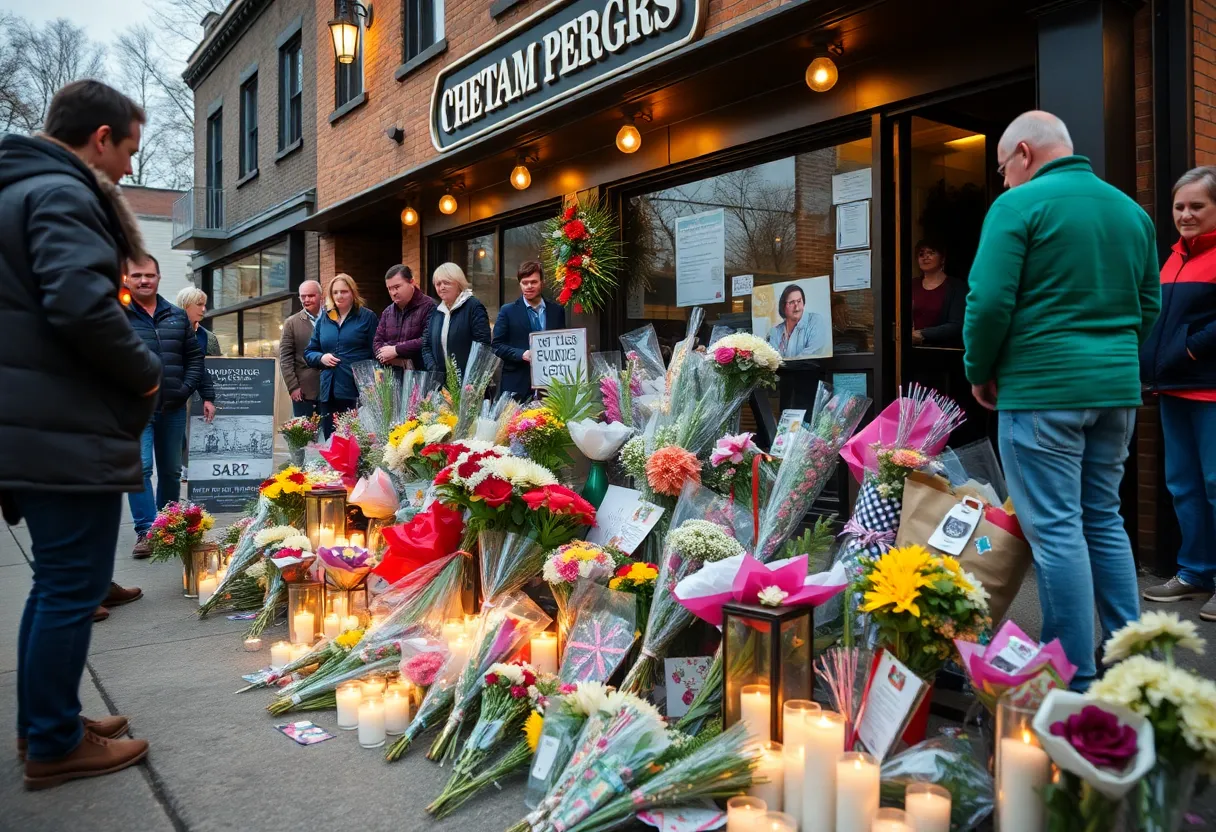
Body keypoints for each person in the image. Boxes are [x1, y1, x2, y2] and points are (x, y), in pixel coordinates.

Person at [963, 110, 1161, 689]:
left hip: (1040, 389)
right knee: (1103, 518)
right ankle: (1134, 660)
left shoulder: (1018, 206)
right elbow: (1149, 305)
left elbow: (989, 301)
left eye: (1003, 167)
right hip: (1114, 392)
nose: (1003, 180)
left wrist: (980, 370)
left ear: (1024, 153)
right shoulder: (1132, 212)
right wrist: (1110, 359)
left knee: (1055, 530)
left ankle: (1071, 675)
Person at [0, 79, 160, 789]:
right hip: (60, 425)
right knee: (73, 583)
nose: (129, 166)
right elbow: (80, 306)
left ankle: (47, 722)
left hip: (37, 422)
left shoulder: (21, 189)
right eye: (128, 149)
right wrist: (146, 374)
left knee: (56, 583)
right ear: (100, 139)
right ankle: (55, 742)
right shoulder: (63, 194)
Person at [1141, 166, 1216, 621]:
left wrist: (1188, 348)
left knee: (1215, 484)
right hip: (1173, 389)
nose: (1186, 214)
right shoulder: (1171, 258)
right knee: (1183, 486)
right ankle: (1196, 572)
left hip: (1209, 390)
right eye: (1179, 206)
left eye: (1197, 206)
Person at [125, 254, 215, 558]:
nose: (143, 280)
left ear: (158, 278)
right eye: (137, 275)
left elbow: (195, 359)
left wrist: (186, 389)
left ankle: (166, 527)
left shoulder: (176, 316)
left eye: (149, 275)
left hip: (173, 406)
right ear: (127, 279)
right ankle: (146, 530)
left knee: (171, 471)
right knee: (140, 468)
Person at [305, 274, 378, 437]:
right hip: (328, 392)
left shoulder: (367, 317)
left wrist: (372, 385)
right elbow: (309, 352)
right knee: (330, 440)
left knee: (355, 441)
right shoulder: (324, 318)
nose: (339, 296)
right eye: (335, 292)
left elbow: (375, 353)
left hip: (355, 391)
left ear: (353, 292)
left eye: (344, 291)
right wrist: (321, 358)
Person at [493, 260, 567, 400]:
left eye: (534, 282)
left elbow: (562, 343)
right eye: (524, 283)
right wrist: (522, 354)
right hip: (516, 384)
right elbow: (497, 346)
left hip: (551, 385)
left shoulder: (557, 311)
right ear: (520, 284)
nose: (529, 286)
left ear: (542, 283)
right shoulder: (507, 311)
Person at [422, 262, 491, 377]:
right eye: (438, 284)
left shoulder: (473, 307)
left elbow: (483, 346)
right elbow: (426, 345)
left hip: (468, 381)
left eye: (446, 283)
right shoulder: (436, 312)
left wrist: (472, 379)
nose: (442, 287)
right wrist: (434, 371)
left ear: (458, 283)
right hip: (441, 381)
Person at [373, 264, 436, 372]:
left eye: (397, 287)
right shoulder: (387, 312)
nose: (393, 293)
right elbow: (377, 342)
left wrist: (396, 350)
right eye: (389, 289)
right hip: (392, 375)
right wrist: (395, 359)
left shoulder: (429, 306)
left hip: (421, 374)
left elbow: (427, 340)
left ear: (412, 282)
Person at [280, 280, 323, 418]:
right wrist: (293, 387)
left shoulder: (333, 318)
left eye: (311, 295)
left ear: (321, 296)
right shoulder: (291, 323)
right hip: (304, 392)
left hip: (331, 388)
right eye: (303, 296)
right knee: (305, 431)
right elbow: (286, 359)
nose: (306, 300)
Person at [911, 241, 966, 346]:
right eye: (921, 254)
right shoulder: (912, 285)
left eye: (931, 253)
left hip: (943, 349)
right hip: (912, 348)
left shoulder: (956, 287)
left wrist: (922, 334)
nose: (925, 257)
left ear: (942, 259)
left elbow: (957, 324)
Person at [765, 283, 828, 358]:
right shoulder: (775, 332)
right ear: (783, 306)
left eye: (799, 301)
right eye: (791, 302)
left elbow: (812, 355)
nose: (796, 307)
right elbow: (772, 359)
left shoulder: (815, 321)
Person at [175, 286, 221, 356]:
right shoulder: (166, 333)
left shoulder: (209, 337)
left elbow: (216, 362)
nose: (203, 309)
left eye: (204, 305)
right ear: (184, 305)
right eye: (199, 304)